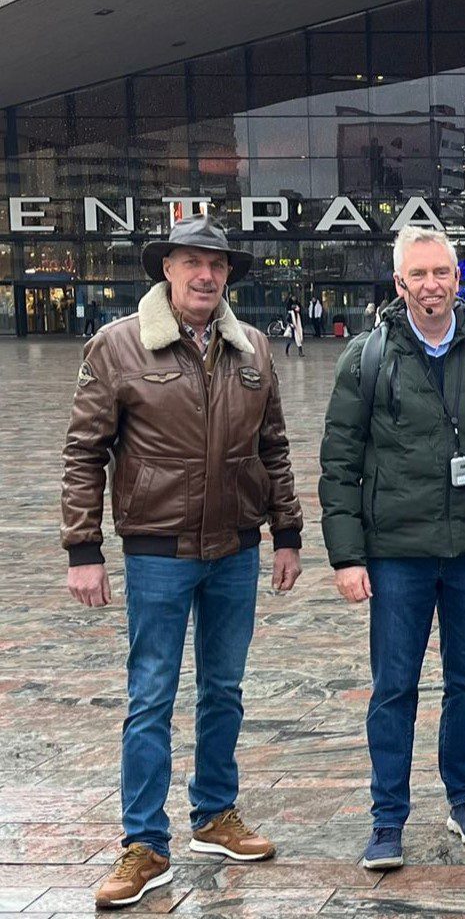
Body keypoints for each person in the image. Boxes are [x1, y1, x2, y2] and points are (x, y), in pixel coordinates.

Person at [60, 214, 303, 910]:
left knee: (224, 689)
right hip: (157, 552)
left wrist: (286, 531)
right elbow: (84, 451)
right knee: (151, 697)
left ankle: (215, 815)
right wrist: (84, 547)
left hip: (236, 549)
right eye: (193, 262)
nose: (206, 275)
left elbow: (275, 448)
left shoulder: (252, 347)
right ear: (166, 268)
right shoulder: (117, 346)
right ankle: (144, 843)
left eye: (218, 265)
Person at [319, 226, 465, 872]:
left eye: (441, 273)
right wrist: (347, 555)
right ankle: (387, 818)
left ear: (457, 280)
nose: (430, 285)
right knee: (394, 687)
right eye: (417, 275)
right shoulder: (366, 358)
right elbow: (337, 464)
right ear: (399, 284)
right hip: (396, 553)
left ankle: (463, 799)